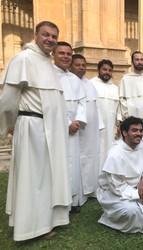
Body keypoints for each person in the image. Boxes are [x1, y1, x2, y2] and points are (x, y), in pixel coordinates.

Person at [0, 21, 70, 241]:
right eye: (46, 35)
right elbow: (8, 100)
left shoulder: (46, 62)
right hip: (33, 129)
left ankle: (45, 222)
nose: (50, 39)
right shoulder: (23, 59)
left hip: (48, 130)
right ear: (36, 35)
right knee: (32, 178)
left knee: (45, 178)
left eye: (54, 36)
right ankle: (29, 228)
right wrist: (9, 126)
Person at [53, 42, 87, 211]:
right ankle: (59, 202)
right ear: (54, 54)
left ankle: (73, 201)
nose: (65, 57)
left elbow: (82, 102)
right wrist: (66, 123)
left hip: (73, 128)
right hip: (55, 127)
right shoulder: (49, 75)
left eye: (68, 54)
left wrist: (77, 122)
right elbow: (51, 104)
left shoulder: (74, 79)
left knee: (73, 163)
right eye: (61, 53)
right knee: (58, 164)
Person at [70, 54, 104, 200]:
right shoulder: (69, 82)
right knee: (78, 158)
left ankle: (91, 188)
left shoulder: (89, 84)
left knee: (92, 157)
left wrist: (99, 125)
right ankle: (79, 191)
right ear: (71, 66)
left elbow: (96, 105)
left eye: (83, 65)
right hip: (77, 129)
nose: (81, 68)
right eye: (78, 65)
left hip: (91, 130)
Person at [119, 51, 143, 142]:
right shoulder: (126, 79)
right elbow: (122, 99)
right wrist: (127, 112)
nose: (139, 62)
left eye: (141, 59)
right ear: (132, 62)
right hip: (132, 113)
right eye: (137, 60)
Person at [91, 59, 120, 169]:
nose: (107, 72)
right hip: (96, 125)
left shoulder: (115, 88)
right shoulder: (91, 84)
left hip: (110, 126)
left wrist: (118, 125)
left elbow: (118, 109)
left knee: (109, 149)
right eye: (104, 69)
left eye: (109, 70)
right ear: (99, 70)